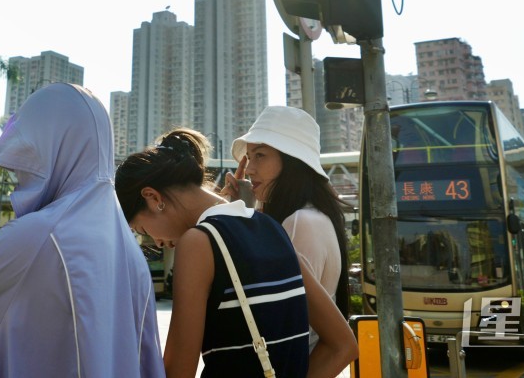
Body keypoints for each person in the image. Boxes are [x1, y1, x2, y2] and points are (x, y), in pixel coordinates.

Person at [0, 83, 164, 378]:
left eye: (24, 165)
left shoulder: (38, 236)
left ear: (47, 153)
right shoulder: (131, 253)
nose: (18, 181)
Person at [115, 127, 358, 378]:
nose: (157, 241)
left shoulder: (197, 243)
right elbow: (343, 345)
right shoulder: (270, 227)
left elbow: (178, 372)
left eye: (143, 229)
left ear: (153, 198)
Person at [224, 106, 352, 328]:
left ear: (293, 162)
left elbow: (271, 314)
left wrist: (235, 217)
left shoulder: (300, 223)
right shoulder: (312, 216)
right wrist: (244, 209)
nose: (250, 169)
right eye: (249, 157)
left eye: (260, 155)